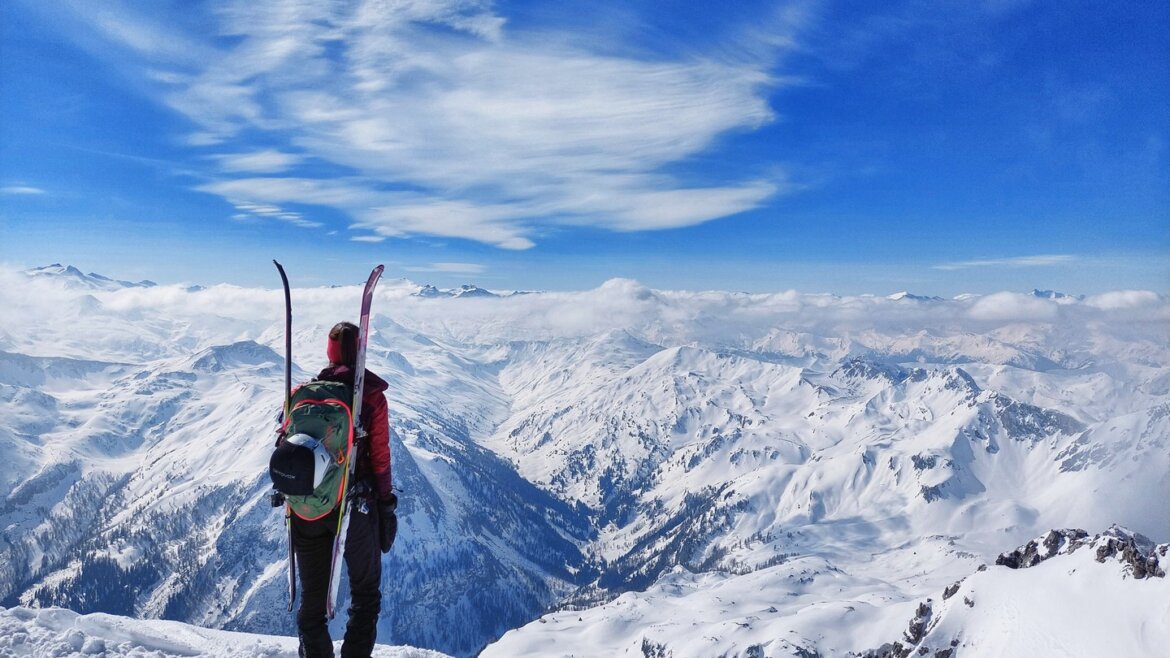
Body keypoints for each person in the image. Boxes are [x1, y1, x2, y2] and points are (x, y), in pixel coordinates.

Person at [293, 321, 397, 658]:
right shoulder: (370, 397)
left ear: (329, 351)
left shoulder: (302, 394)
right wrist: (386, 505)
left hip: (307, 508)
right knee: (365, 597)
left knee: (311, 607)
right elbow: (380, 459)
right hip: (354, 510)